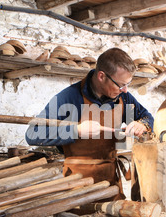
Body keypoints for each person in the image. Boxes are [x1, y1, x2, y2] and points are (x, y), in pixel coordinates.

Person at [25, 47, 154, 200]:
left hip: (110, 184)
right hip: (77, 186)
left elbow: (146, 117)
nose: (125, 90)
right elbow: (33, 134)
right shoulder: (69, 97)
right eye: (120, 85)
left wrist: (142, 124)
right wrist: (76, 131)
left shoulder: (123, 98)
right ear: (101, 76)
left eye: (128, 84)